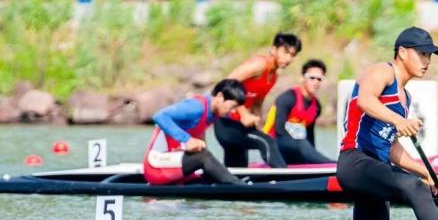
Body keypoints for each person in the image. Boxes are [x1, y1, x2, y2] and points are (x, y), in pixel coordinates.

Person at [336, 27, 438, 220]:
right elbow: (365, 100)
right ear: (403, 52)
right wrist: (399, 121)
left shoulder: (405, 99)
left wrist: (428, 173)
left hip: (377, 170)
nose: (427, 60)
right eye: (422, 53)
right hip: (355, 162)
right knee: (416, 188)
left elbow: (392, 148)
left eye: (429, 55)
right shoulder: (382, 71)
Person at [214, 32, 301, 168]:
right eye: (285, 52)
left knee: (238, 172)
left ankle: (232, 187)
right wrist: (243, 114)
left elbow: (257, 103)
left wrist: (260, 127)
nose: (288, 58)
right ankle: (286, 182)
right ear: (273, 49)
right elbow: (227, 83)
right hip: (226, 125)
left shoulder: (273, 76)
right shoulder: (259, 64)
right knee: (267, 142)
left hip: (239, 128)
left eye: (293, 55)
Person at [143, 79, 246, 185]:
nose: (233, 111)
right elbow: (160, 116)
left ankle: (233, 184)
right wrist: (187, 139)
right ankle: (240, 186)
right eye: (232, 106)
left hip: (175, 165)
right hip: (156, 164)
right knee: (204, 157)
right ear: (220, 97)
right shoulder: (196, 106)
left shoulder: (212, 114)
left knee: (208, 175)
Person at [263, 59, 335, 165]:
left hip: (296, 149)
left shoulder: (316, 107)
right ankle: (333, 165)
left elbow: (310, 135)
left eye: (319, 79)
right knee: (301, 143)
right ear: (302, 78)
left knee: (304, 145)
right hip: (274, 146)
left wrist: (311, 156)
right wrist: (299, 146)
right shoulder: (287, 98)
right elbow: (279, 130)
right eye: (312, 78)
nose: (315, 82)